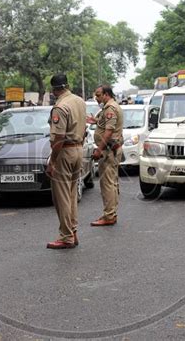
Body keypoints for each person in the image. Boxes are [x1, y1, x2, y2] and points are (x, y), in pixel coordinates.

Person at [46, 73, 86, 249]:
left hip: (65, 151)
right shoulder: (79, 101)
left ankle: (66, 236)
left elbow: (59, 138)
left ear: (55, 90)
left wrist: (52, 161)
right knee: (71, 195)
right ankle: (73, 232)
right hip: (78, 149)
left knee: (62, 197)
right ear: (67, 86)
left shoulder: (60, 107)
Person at [87, 85, 123, 226]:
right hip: (110, 150)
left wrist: (98, 149)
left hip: (108, 151)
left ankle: (109, 216)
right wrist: (96, 121)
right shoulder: (108, 107)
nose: (96, 98)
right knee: (111, 183)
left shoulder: (110, 108)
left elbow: (108, 132)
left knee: (107, 184)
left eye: (98, 95)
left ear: (106, 94)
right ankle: (111, 213)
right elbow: (106, 125)